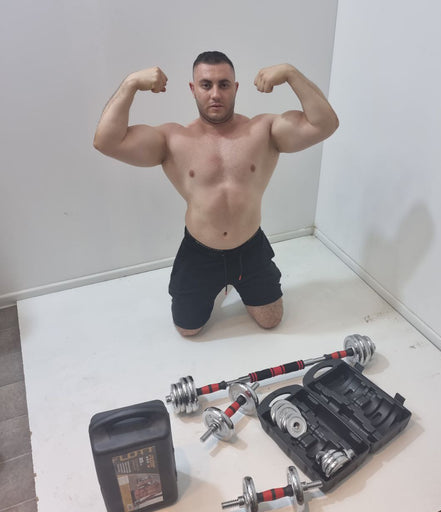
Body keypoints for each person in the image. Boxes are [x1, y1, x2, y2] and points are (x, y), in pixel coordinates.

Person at [93, 51, 338, 336]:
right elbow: (106, 142)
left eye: (224, 84)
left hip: (250, 249)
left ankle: (236, 283)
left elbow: (325, 124)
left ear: (235, 88)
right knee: (188, 330)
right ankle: (218, 284)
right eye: (206, 85)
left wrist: (290, 73)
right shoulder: (172, 139)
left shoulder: (264, 130)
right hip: (199, 253)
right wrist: (131, 83)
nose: (215, 94)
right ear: (193, 89)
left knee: (271, 320)